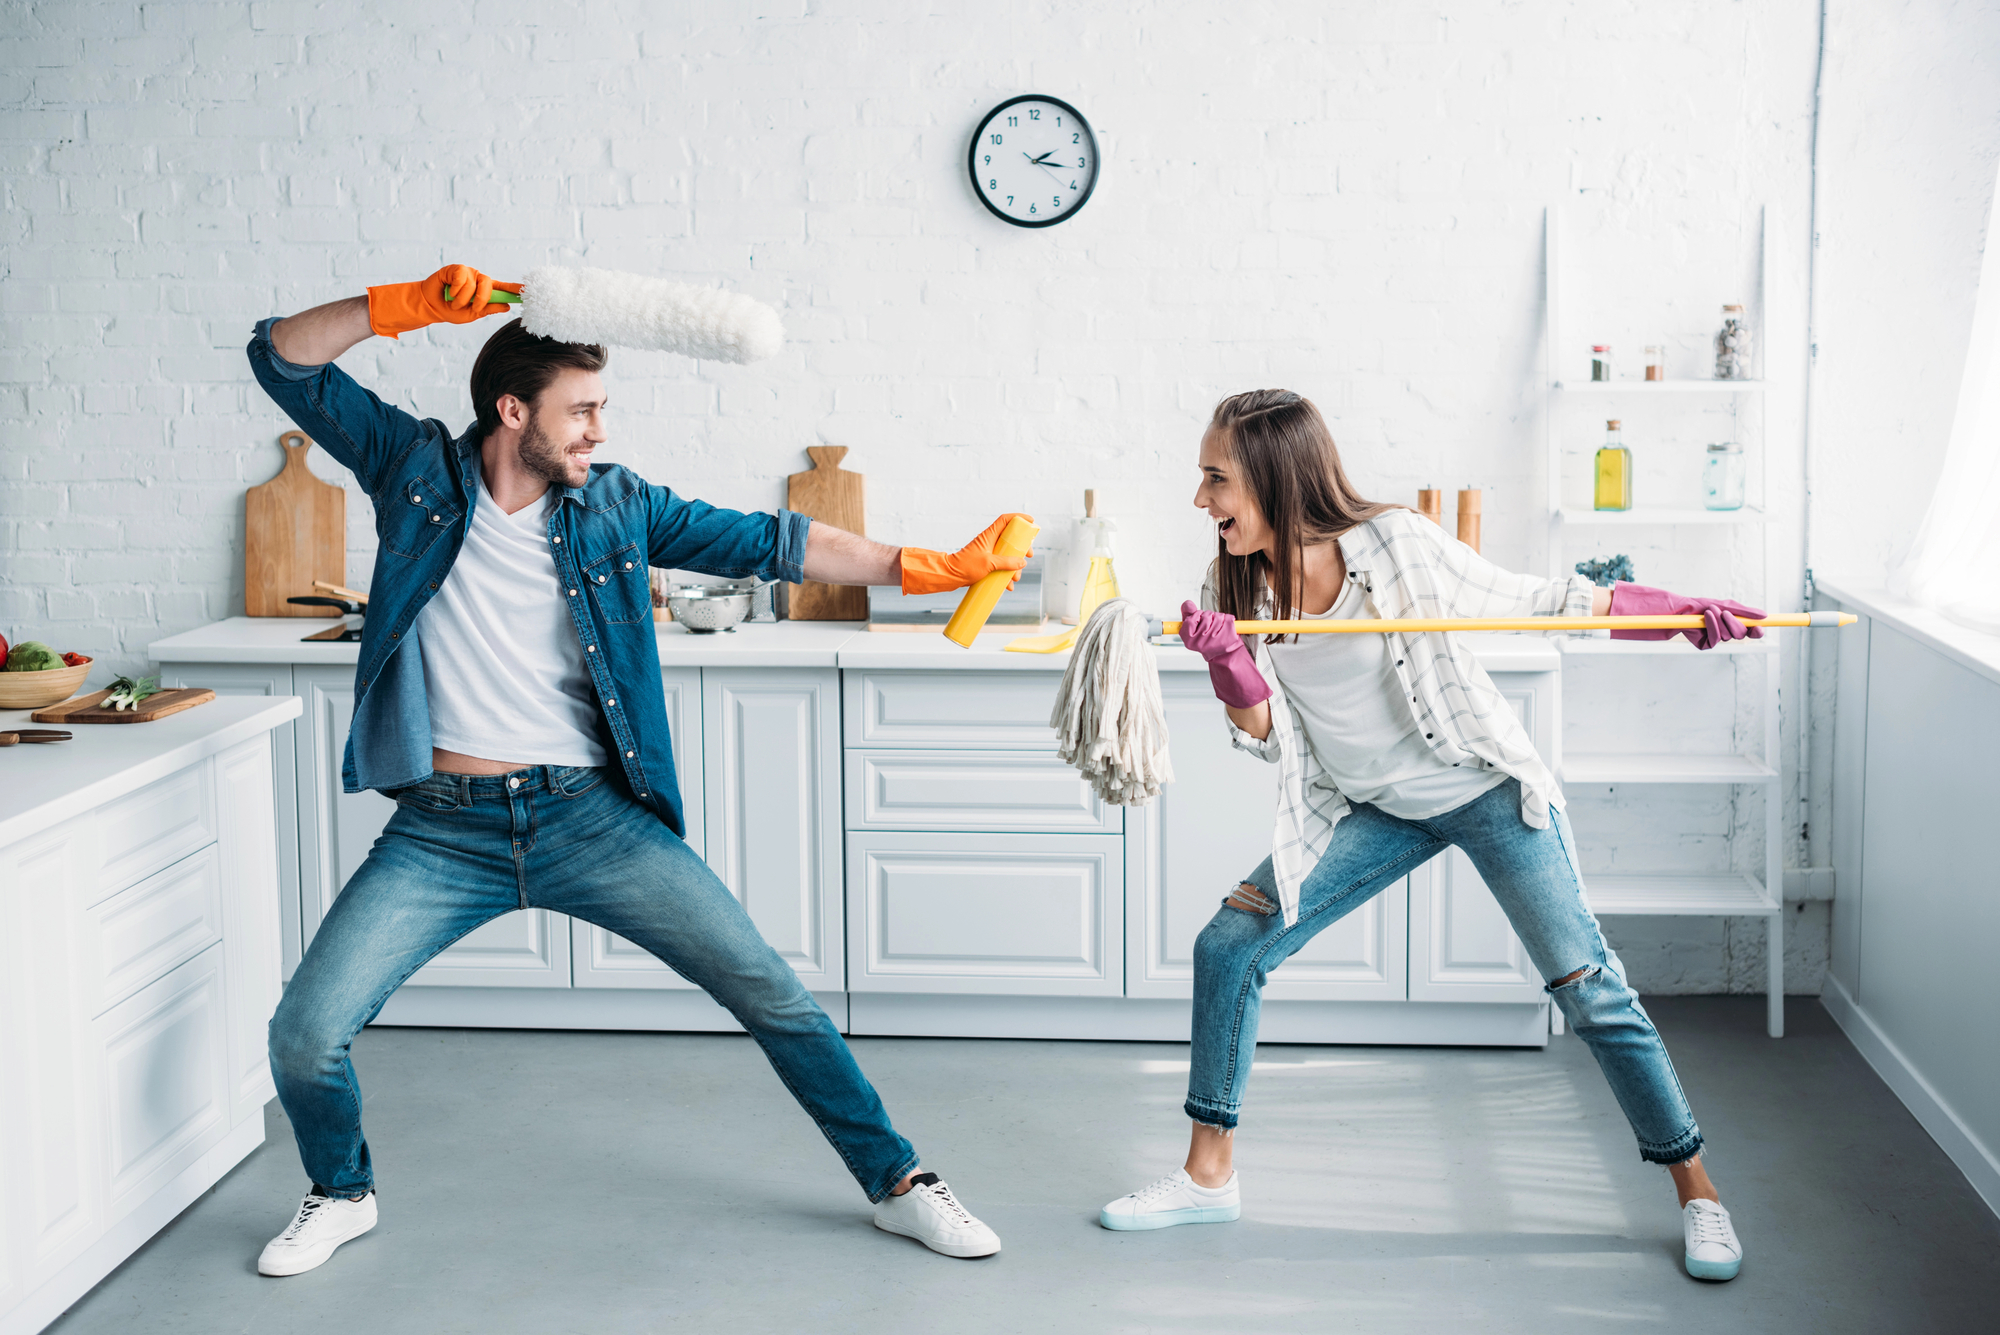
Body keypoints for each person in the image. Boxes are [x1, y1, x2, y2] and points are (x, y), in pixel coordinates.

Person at [247, 264, 1017, 1275]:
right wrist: (399, 307)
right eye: (581, 412)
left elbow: (771, 543)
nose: (597, 432)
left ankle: (898, 1184)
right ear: (513, 409)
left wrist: (918, 566)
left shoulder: (614, 505)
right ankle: (340, 1191)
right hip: (442, 829)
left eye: (601, 411)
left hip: (589, 819)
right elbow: (284, 359)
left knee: (772, 996)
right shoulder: (413, 472)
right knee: (305, 1035)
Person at [1097, 389, 1758, 1283]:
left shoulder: (1395, 544)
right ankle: (1207, 1174)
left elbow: (1540, 599)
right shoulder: (1235, 577)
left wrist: (1674, 613)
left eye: (1216, 477)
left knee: (1589, 989)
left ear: (1275, 478)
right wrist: (1226, 658)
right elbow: (1260, 734)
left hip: (1482, 788)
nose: (1201, 498)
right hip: (1364, 808)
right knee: (1228, 945)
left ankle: (1698, 1192)